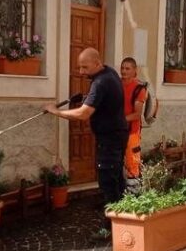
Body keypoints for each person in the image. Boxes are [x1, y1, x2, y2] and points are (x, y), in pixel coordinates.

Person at [43, 48, 128, 239]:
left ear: (97, 63)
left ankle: (110, 230)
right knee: (116, 180)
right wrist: (84, 98)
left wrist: (54, 111)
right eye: (79, 67)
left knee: (109, 184)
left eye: (84, 67)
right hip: (116, 136)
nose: (80, 72)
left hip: (110, 139)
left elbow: (83, 114)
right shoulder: (109, 73)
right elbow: (101, 100)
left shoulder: (101, 82)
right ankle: (123, 223)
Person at [120, 57, 146, 190]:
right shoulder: (116, 85)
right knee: (117, 163)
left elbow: (137, 114)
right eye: (122, 68)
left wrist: (118, 120)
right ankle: (118, 195)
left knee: (132, 165)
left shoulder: (139, 89)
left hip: (132, 132)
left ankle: (134, 196)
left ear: (134, 70)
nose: (124, 71)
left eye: (127, 68)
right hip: (117, 131)